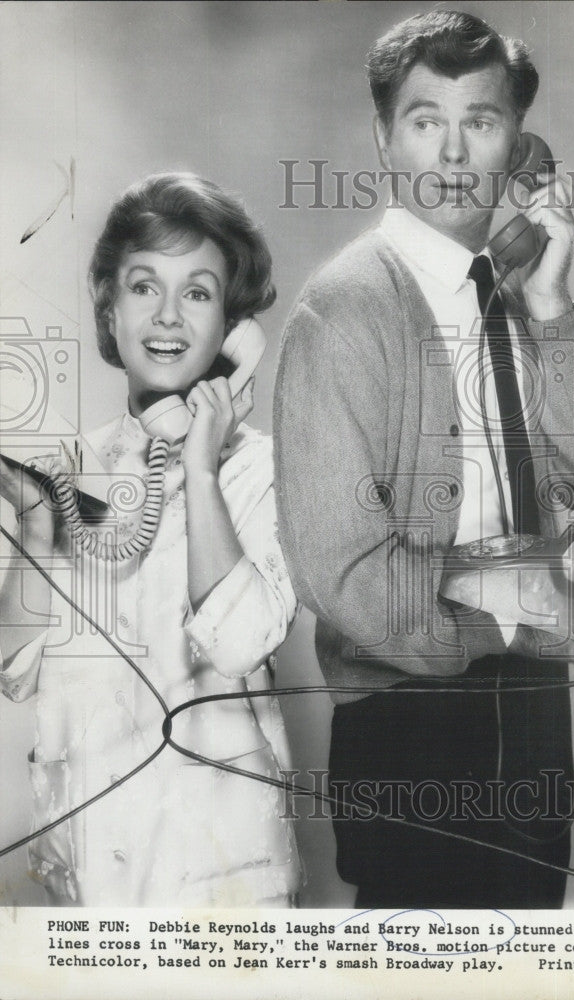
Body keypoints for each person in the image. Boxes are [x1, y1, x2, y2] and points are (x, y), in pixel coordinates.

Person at [274, 11, 574, 908]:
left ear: (517, 146)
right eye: (423, 119)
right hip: (410, 732)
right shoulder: (343, 312)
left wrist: (554, 304)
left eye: (479, 122)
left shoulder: (526, 302)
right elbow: (347, 579)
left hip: (535, 724)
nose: (452, 152)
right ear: (383, 137)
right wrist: (530, 605)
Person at [0, 173, 301, 907]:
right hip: (91, 864)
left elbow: (237, 642)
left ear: (233, 325)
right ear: (109, 306)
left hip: (222, 878)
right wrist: (38, 530)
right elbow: (13, 669)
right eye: (144, 287)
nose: (167, 316)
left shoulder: (266, 468)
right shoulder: (66, 469)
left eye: (197, 293)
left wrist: (199, 464)